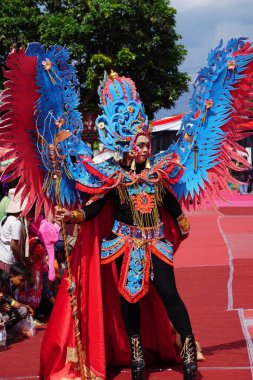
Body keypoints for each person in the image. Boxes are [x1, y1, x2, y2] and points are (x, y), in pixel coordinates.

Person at [41, 73, 197, 380]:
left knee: (169, 294)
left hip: (157, 244)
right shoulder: (115, 180)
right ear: (128, 147)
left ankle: (188, 350)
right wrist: (73, 217)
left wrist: (181, 223)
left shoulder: (157, 177)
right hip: (124, 246)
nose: (143, 149)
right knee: (129, 299)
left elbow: (172, 207)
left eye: (146, 144)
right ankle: (136, 353)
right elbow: (96, 208)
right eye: (138, 144)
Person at [0, 189, 27, 272]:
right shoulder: (16, 222)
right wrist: (21, 261)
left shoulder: (5, 218)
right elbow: (14, 245)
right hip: (9, 261)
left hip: (2, 257)